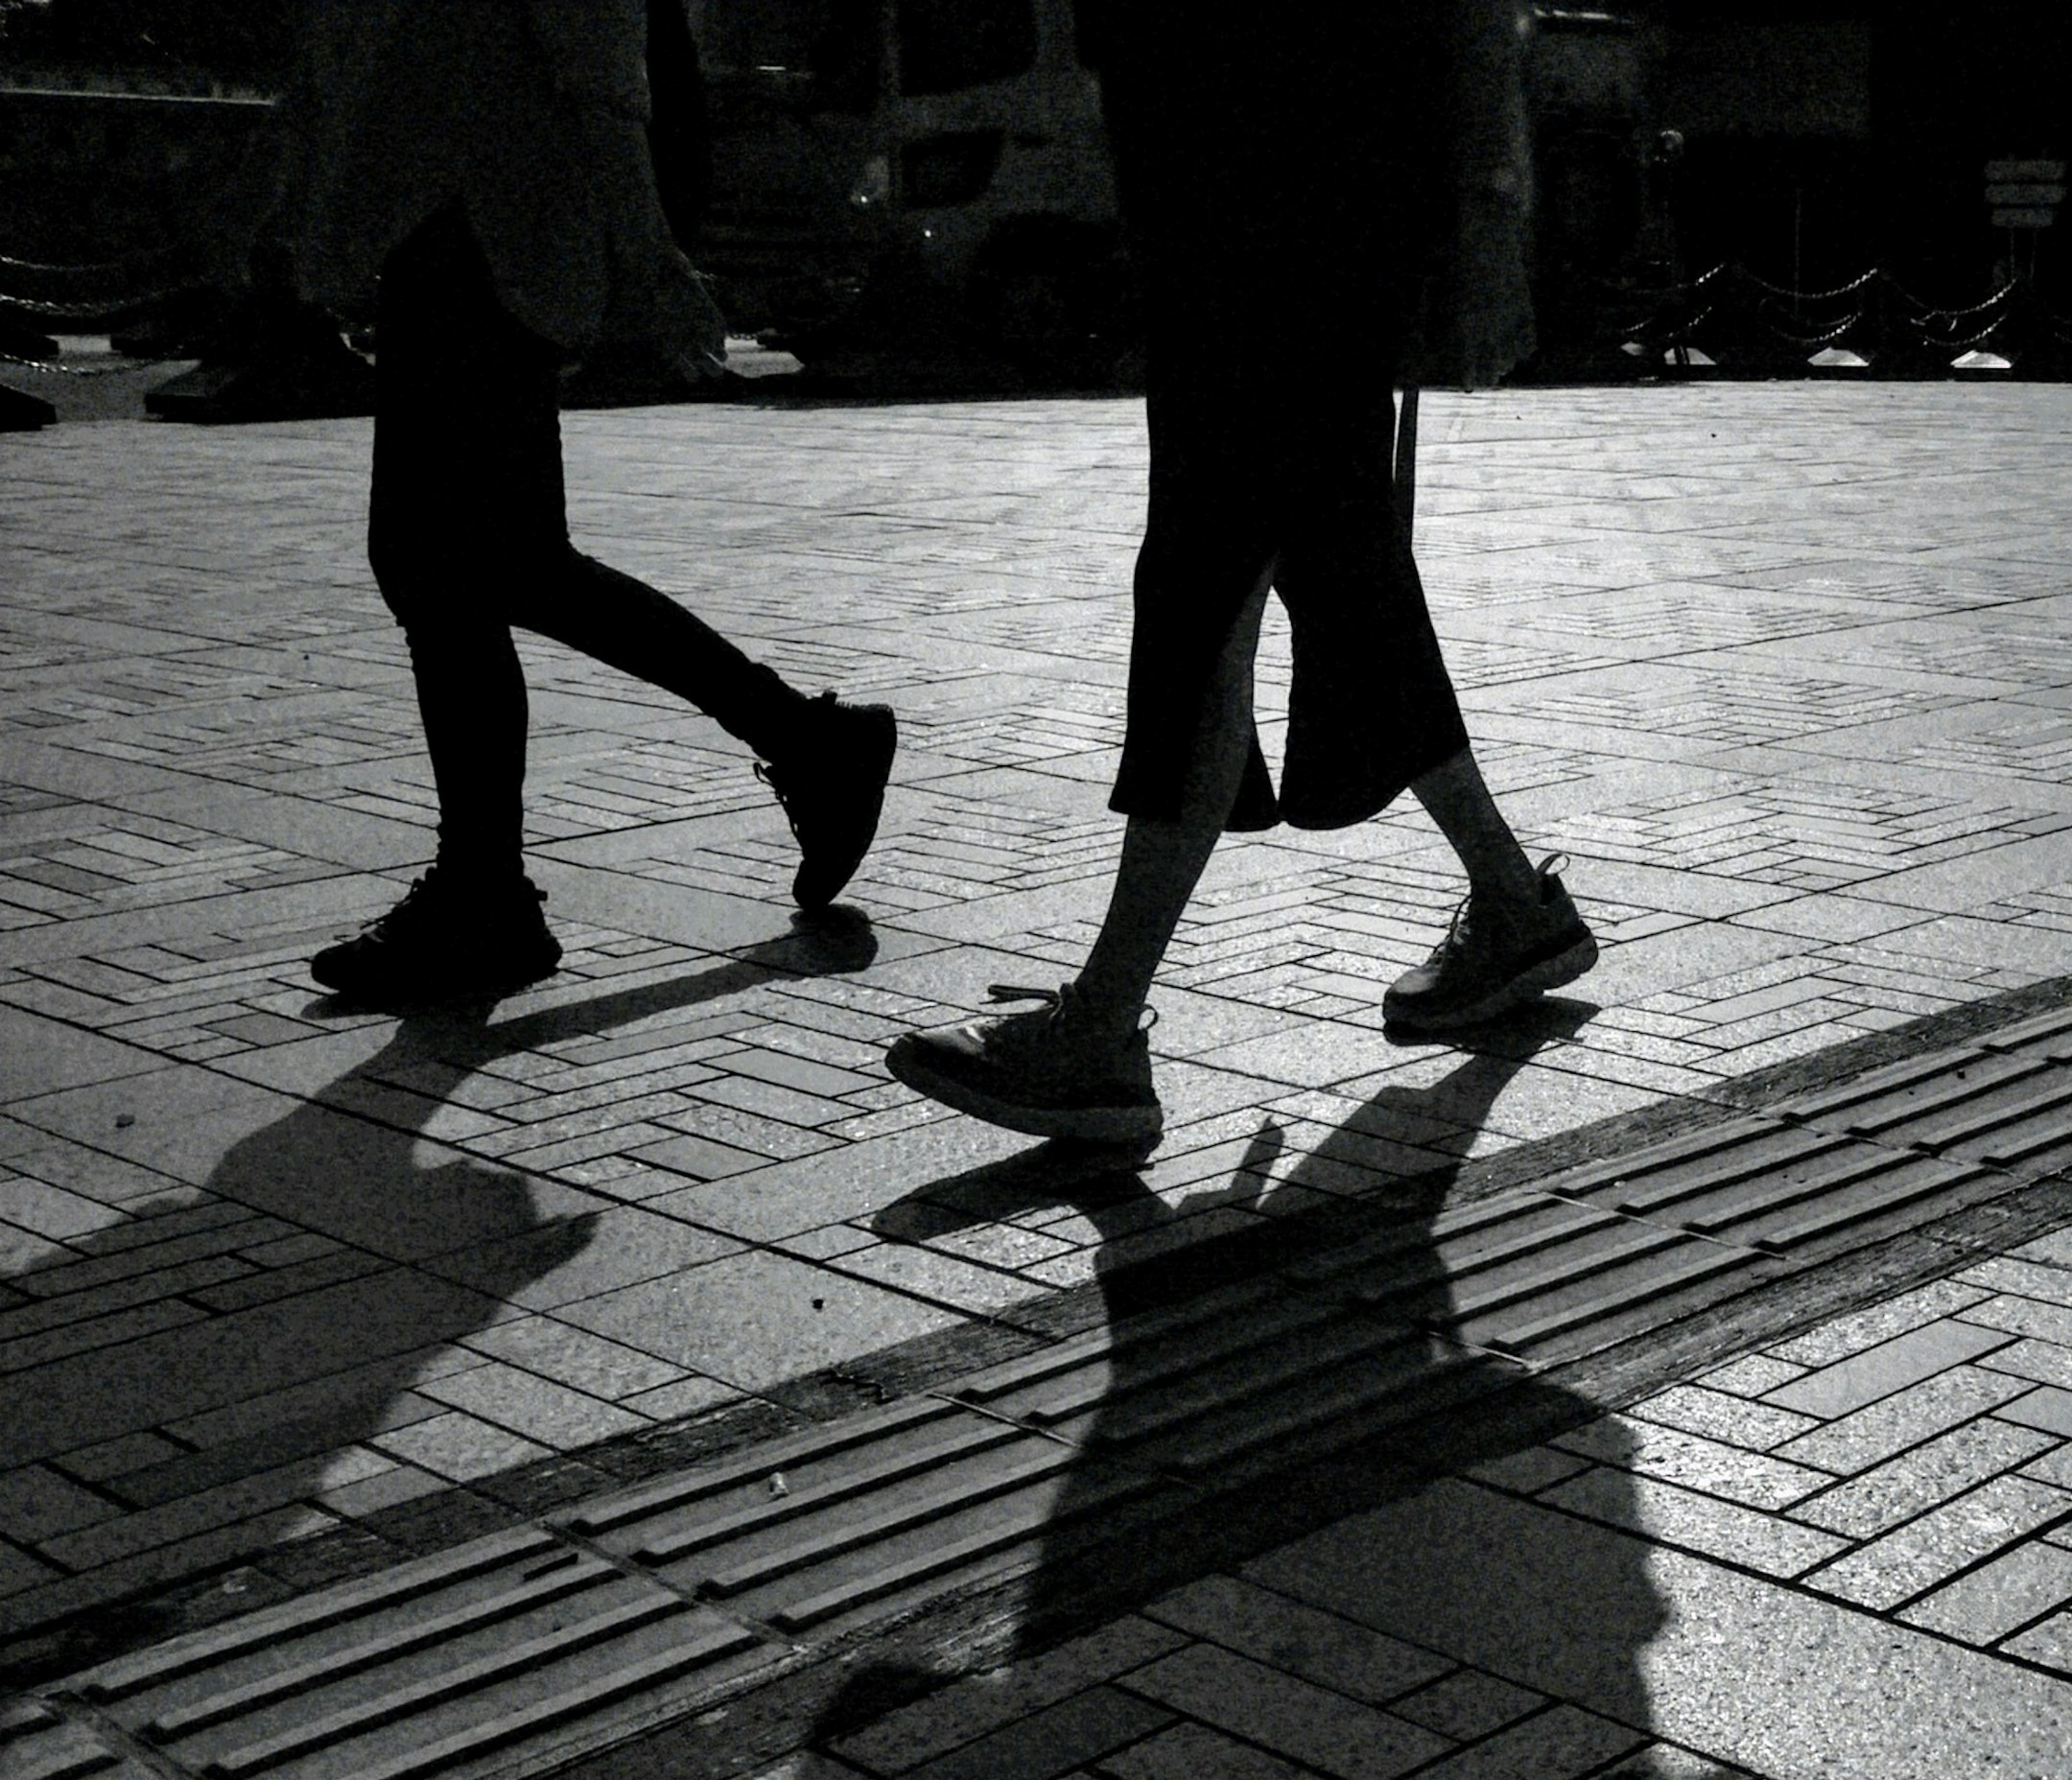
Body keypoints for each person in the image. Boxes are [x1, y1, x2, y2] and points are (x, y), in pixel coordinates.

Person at [883, 0, 1587, 1149]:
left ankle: (1102, 1025)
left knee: (1205, 587)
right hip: (1249, 205)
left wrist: (1491, 211)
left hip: (1286, 209)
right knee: (1332, 569)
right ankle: (1512, 904)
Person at [288, 0, 897, 1008]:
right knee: (495, 565)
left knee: (449, 565)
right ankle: (803, 745)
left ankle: (486, 897)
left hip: (488, 231)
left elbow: (599, 70)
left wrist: (648, 255)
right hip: (438, 228)